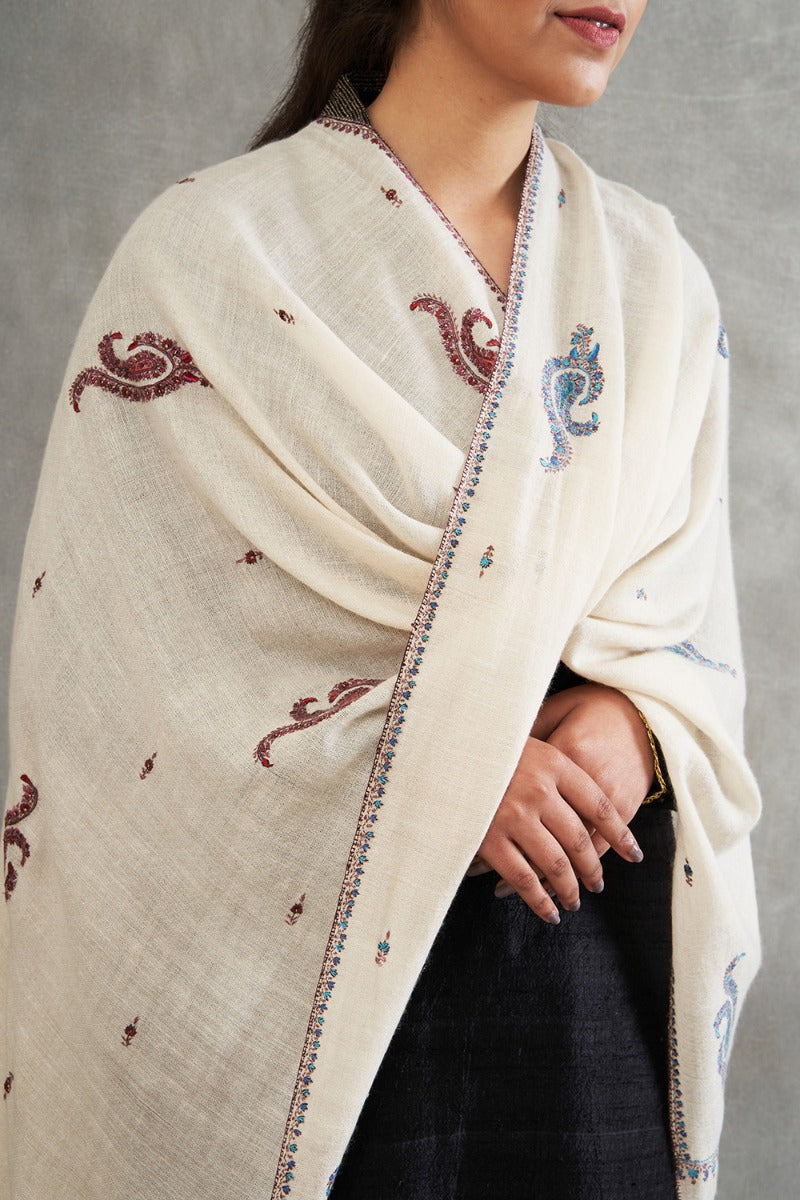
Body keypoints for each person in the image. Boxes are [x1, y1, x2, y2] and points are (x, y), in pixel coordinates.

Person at [0, 2, 760, 1198]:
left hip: (581, 993)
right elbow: (128, 689)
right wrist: (447, 766)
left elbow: (686, 639)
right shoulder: (213, 259)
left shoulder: (650, 282)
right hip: (306, 1023)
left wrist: (635, 726)